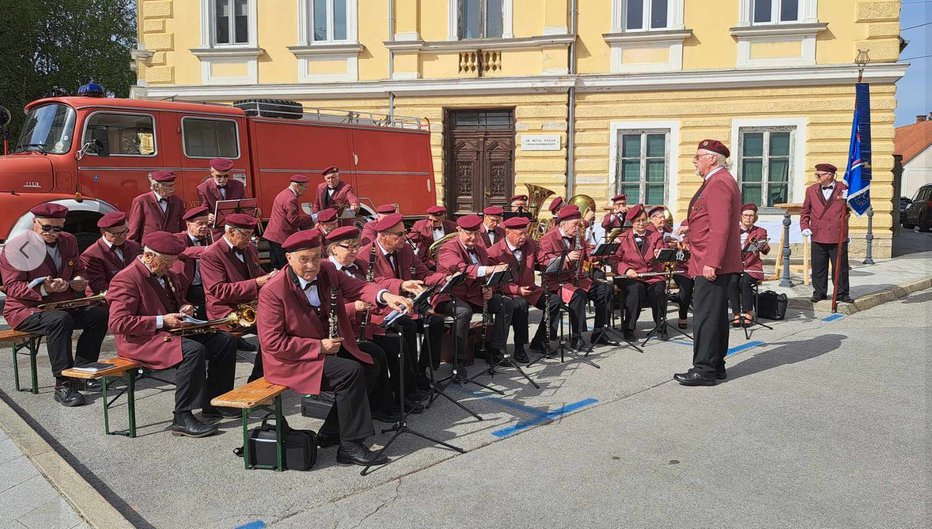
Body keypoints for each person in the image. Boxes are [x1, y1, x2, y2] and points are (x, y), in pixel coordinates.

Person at [257, 229, 414, 466]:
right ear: (289, 259)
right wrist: (318, 346)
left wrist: (385, 296)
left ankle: (331, 431)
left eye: (316, 258)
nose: (312, 266)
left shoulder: (328, 270)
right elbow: (272, 343)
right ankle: (350, 445)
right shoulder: (273, 291)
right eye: (304, 260)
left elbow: (358, 287)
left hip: (324, 348)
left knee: (373, 357)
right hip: (292, 360)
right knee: (349, 372)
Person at [107, 232, 237, 436]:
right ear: (148, 256)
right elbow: (117, 323)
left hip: (169, 332)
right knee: (193, 351)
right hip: (140, 340)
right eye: (167, 262)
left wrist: (186, 307)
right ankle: (182, 415)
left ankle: (215, 402)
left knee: (225, 341)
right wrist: (162, 320)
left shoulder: (168, 274)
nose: (171, 267)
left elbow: (178, 301)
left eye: (173, 262)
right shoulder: (126, 279)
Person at [0, 204, 108, 407]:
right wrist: (45, 290)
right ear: (34, 223)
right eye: (46, 227)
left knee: (99, 315)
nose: (52, 233)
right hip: (25, 310)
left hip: (62, 303)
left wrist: (78, 280)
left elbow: (79, 268)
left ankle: (82, 372)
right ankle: (63, 383)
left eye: (57, 228)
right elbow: (12, 287)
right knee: (60, 321)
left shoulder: (69, 240)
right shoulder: (16, 247)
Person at [325, 225, 427, 415]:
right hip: (344, 331)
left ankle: (404, 395)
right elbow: (324, 310)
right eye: (349, 247)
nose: (356, 251)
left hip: (367, 325)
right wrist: (353, 308)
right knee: (377, 353)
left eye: (356, 246)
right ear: (334, 248)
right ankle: (382, 406)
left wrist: (401, 285)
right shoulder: (327, 271)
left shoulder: (359, 266)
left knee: (398, 344)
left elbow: (378, 283)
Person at [673, 139, 742, 386]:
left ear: (713, 158)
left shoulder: (718, 183)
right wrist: (690, 228)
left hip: (710, 261)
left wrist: (712, 262)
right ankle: (716, 365)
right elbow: (708, 219)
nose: (695, 160)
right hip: (710, 258)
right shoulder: (718, 181)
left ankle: (703, 369)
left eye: (698, 156)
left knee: (705, 316)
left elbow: (720, 227)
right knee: (716, 316)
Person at [363, 213, 448, 392]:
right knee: (407, 326)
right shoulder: (367, 255)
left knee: (436, 322)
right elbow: (373, 283)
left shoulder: (405, 249)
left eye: (405, 232)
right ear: (383, 236)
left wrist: (446, 278)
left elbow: (424, 273)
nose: (405, 237)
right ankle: (407, 383)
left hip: (407, 307)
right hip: (383, 311)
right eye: (399, 235)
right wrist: (401, 285)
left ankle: (421, 370)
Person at [200, 213, 276, 381]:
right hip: (226, 311)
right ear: (231, 231)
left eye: (251, 235)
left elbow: (258, 273)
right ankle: (259, 380)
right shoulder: (211, 255)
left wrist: (272, 278)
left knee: (278, 325)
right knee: (270, 327)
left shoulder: (248, 248)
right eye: (246, 235)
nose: (250, 239)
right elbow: (219, 290)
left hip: (249, 306)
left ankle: (260, 379)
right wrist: (256, 283)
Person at [435, 215, 513, 364]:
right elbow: (463, 269)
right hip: (450, 295)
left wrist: (489, 288)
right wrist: (492, 269)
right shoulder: (447, 248)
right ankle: (459, 360)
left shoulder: (481, 250)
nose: (473, 237)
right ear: (459, 230)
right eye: (468, 233)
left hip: (474, 295)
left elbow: (484, 278)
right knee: (464, 312)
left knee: (506, 303)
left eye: (476, 233)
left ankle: (496, 350)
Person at [537, 206, 618, 348]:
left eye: (579, 224)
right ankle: (577, 336)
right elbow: (544, 263)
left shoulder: (578, 237)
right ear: (564, 223)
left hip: (578, 279)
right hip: (557, 282)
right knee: (578, 295)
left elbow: (588, 253)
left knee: (605, 290)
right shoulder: (548, 238)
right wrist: (565, 258)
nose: (578, 228)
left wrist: (605, 249)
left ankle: (599, 332)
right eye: (575, 224)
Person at [487, 216, 560, 362]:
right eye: (519, 234)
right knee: (520, 305)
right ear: (507, 232)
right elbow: (495, 282)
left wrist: (556, 261)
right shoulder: (494, 251)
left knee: (554, 301)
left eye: (525, 233)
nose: (523, 237)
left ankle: (540, 340)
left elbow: (543, 258)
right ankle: (519, 347)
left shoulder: (531, 244)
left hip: (530, 288)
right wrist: (516, 290)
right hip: (508, 291)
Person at [800, 163, 854, 304]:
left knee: (840, 268)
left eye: (819, 174)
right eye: (816, 174)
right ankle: (819, 292)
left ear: (829, 175)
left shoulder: (844, 188)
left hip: (837, 234)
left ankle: (842, 293)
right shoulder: (811, 190)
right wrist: (804, 226)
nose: (817, 177)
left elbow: (855, 207)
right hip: (818, 233)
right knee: (818, 267)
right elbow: (805, 211)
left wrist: (850, 201)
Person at [613, 205, 667, 341]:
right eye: (638, 221)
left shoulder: (656, 236)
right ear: (632, 222)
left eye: (644, 220)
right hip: (630, 275)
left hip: (652, 274)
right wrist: (626, 269)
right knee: (636, 290)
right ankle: (629, 327)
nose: (642, 223)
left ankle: (661, 326)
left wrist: (659, 254)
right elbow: (614, 259)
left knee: (659, 291)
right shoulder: (622, 237)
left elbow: (662, 250)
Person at [80, 212, 142, 295]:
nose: (123, 236)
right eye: (117, 234)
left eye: (125, 232)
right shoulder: (91, 255)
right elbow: (99, 285)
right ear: (103, 232)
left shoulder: (134, 247)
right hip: (105, 299)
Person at [730, 203, 770, 325]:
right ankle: (736, 313)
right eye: (746, 215)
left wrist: (762, 245)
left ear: (755, 217)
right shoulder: (732, 231)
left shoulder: (760, 231)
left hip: (752, 267)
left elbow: (765, 251)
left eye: (751, 216)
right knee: (731, 283)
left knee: (745, 282)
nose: (748, 218)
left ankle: (748, 313)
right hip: (735, 266)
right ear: (741, 217)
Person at [264, 174, 313, 270]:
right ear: (297, 186)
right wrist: (312, 218)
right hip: (281, 237)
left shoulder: (283, 194)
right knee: (284, 266)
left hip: (273, 235)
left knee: (275, 265)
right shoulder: (291, 199)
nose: (306, 190)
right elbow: (294, 220)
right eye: (305, 187)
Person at [172, 206, 213, 321]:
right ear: (188, 224)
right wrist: (209, 249)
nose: (204, 227)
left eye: (206, 224)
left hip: (204, 284)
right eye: (200, 224)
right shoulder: (179, 238)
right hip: (185, 286)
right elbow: (183, 251)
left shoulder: (209, 238)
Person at [127, 171, 185, 243]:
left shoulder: (177, 201)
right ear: (157, 186)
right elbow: (133, 230)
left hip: (171, 246)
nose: (172, 189)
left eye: (173, 185)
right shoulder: (141, 201)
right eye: (169, 186)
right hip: (150, 248)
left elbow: (183, 227)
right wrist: (132, 250)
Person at [195, 157, 246, 222]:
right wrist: (207, 215)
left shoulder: (238, 186)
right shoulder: (203, 188)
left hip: (234, 226)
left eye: (226, 176)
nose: (222, 179)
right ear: (212, 173)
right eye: (219, 176)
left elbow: (244, 206)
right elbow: (203, 210)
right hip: (215, 228)